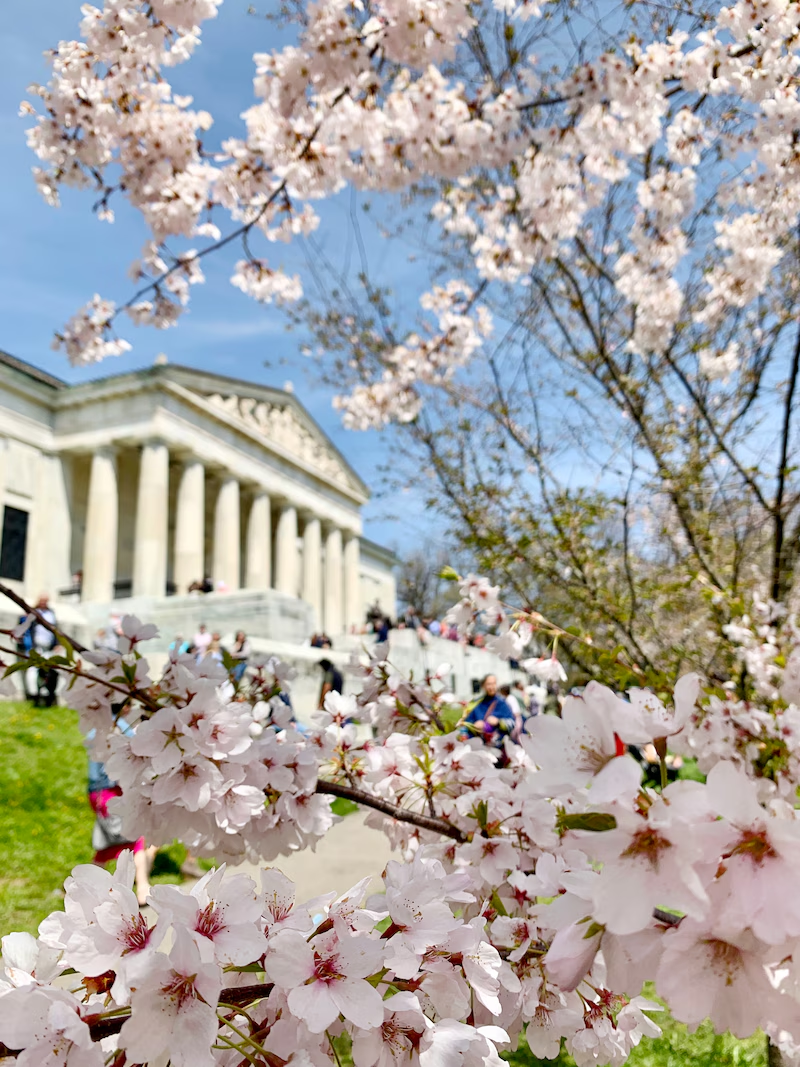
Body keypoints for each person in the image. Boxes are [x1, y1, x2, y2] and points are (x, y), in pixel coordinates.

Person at [460, 674, 516, 752]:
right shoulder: (477, 703)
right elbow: (464, 725)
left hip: (498, 749)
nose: (492, 687)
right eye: (489, 684)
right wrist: (474, 726)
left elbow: (512, 723)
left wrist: (499, 722)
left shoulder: (502, 703)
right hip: (478, 749)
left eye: (494, 683)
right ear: (483, 686)